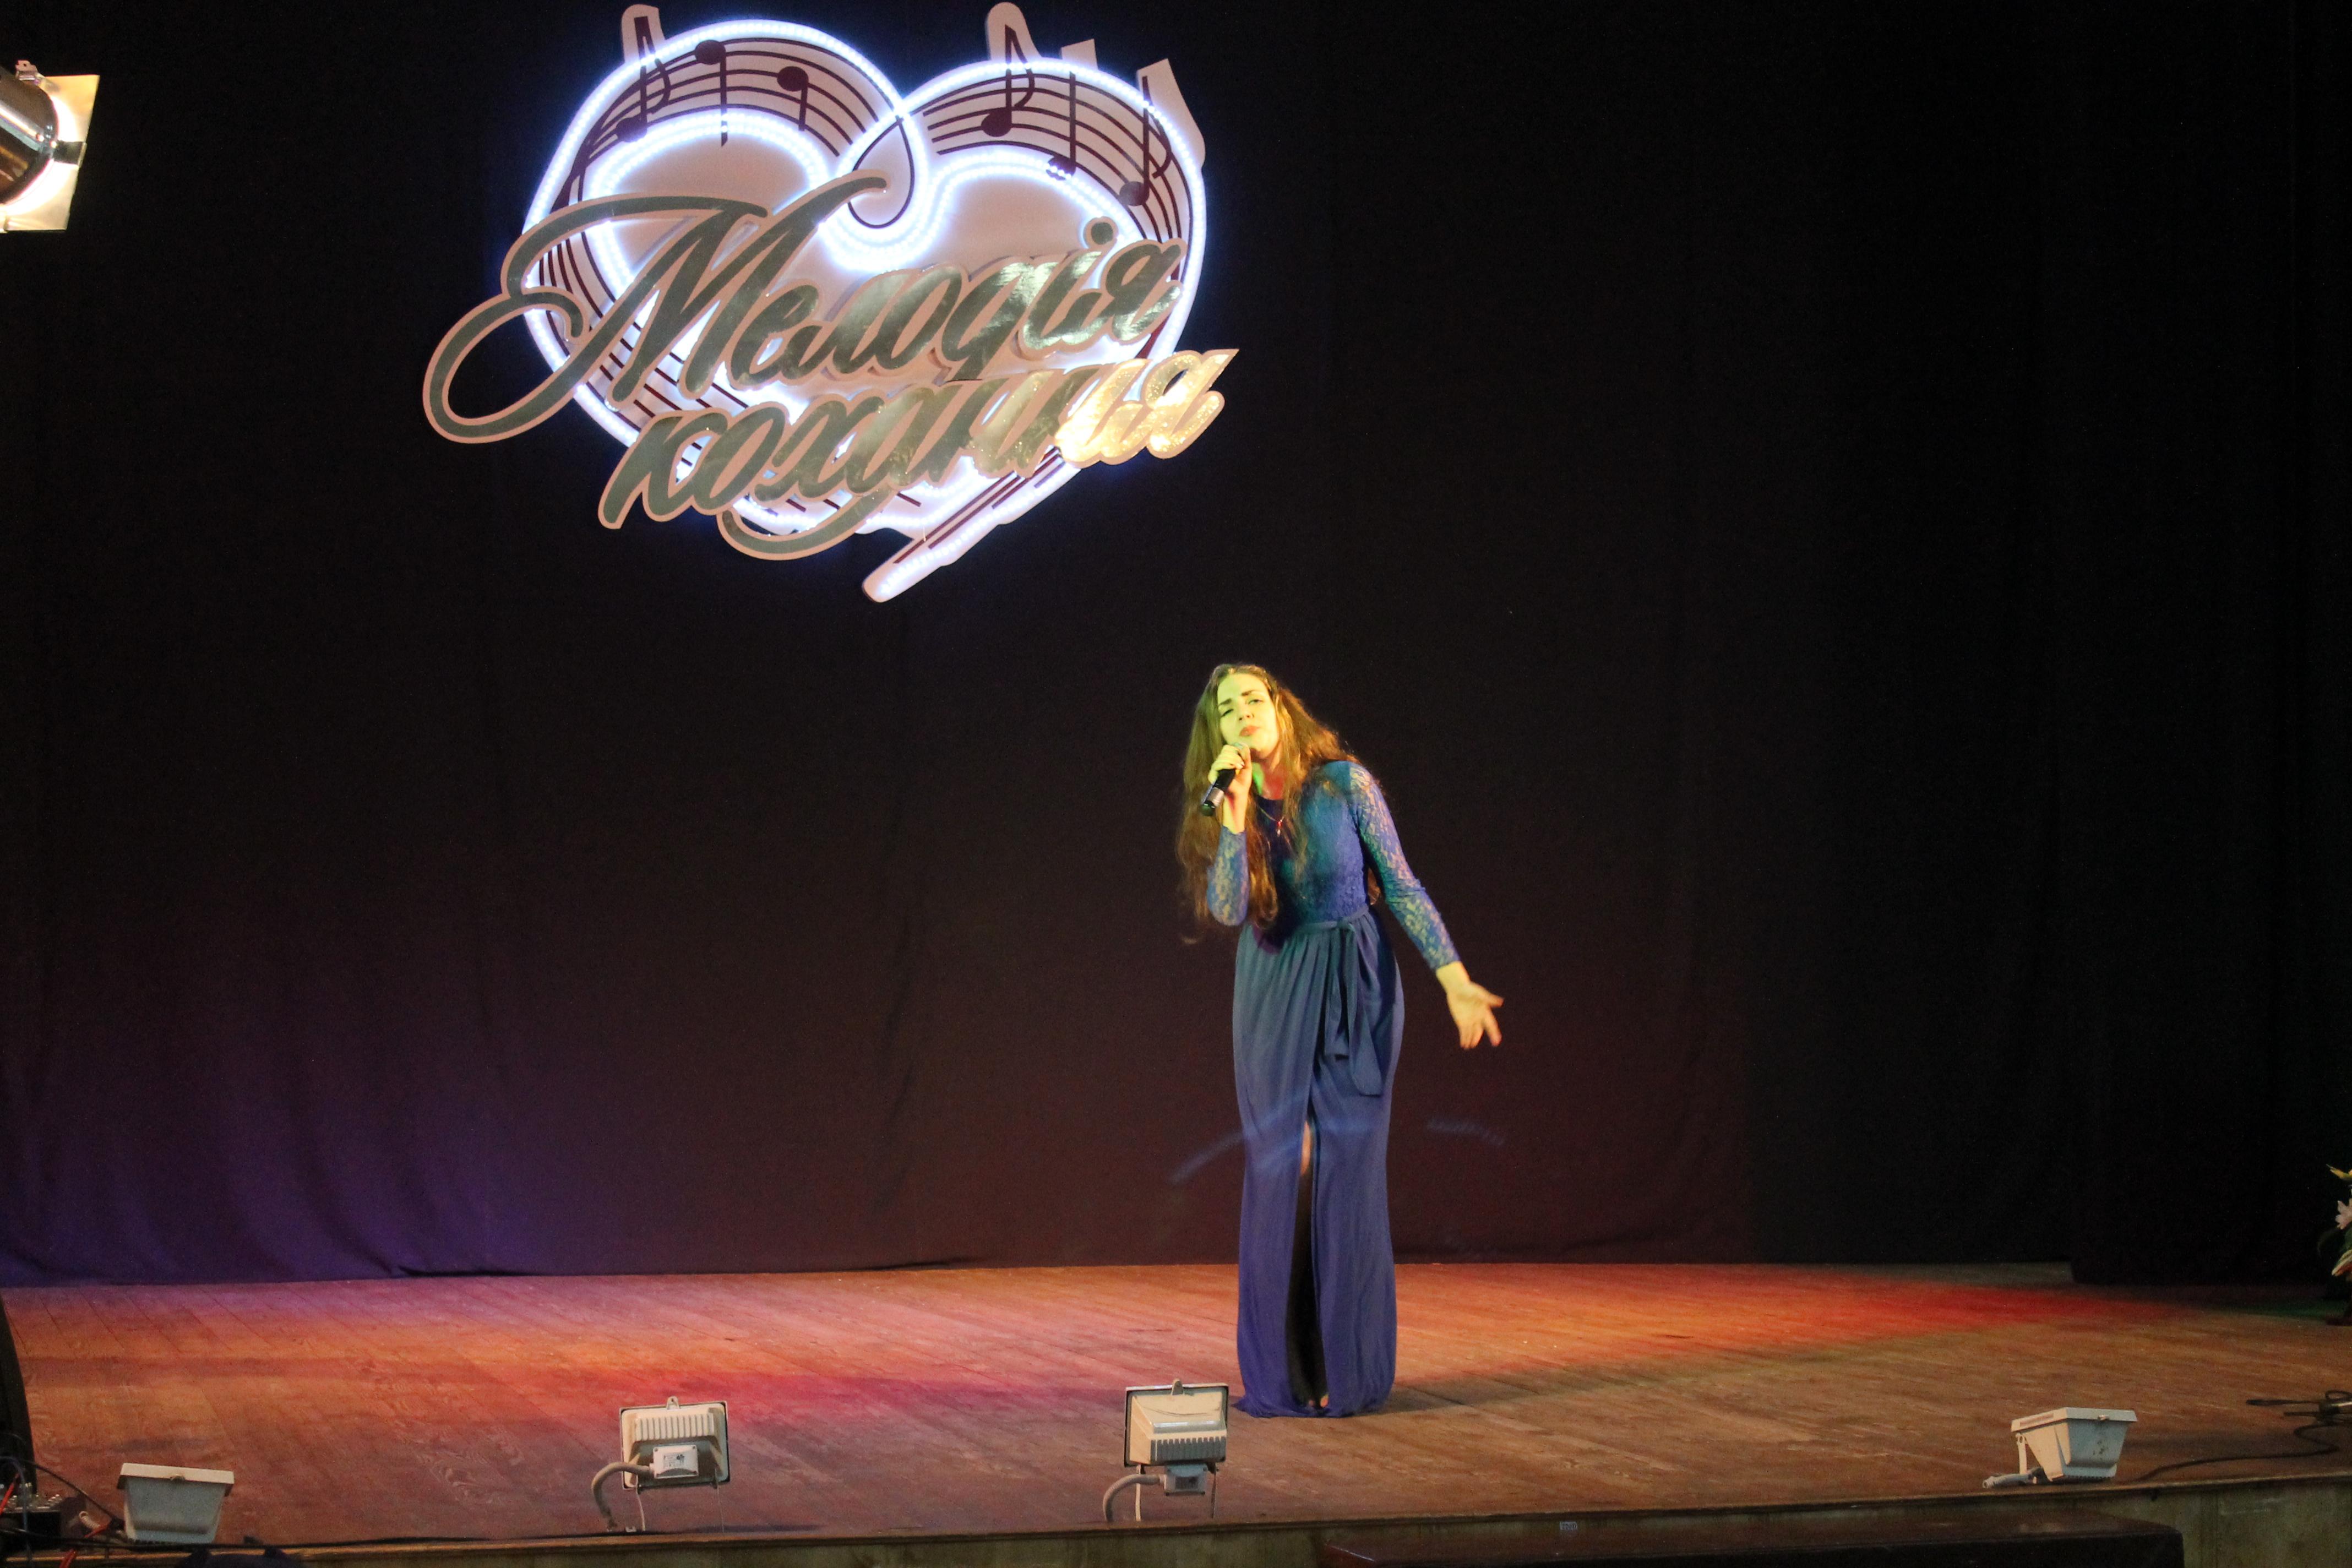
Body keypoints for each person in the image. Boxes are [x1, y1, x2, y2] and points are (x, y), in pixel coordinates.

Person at [1177, 664, 1502, 1417]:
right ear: (1219, 731)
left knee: (1346, 1168)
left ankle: (1347, 1368)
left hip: (1355, 981)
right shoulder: (1228, 802)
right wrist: (1234, 819)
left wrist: (1453, 978)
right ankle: (1285, 1373)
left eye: (1253, 698)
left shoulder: (1344, 786)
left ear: (1280, 708)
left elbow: (1402, 883)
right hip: (1273, 988)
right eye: (1228, 708)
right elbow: (1227, 908)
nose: (1244, 712)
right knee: (1283, 1169)